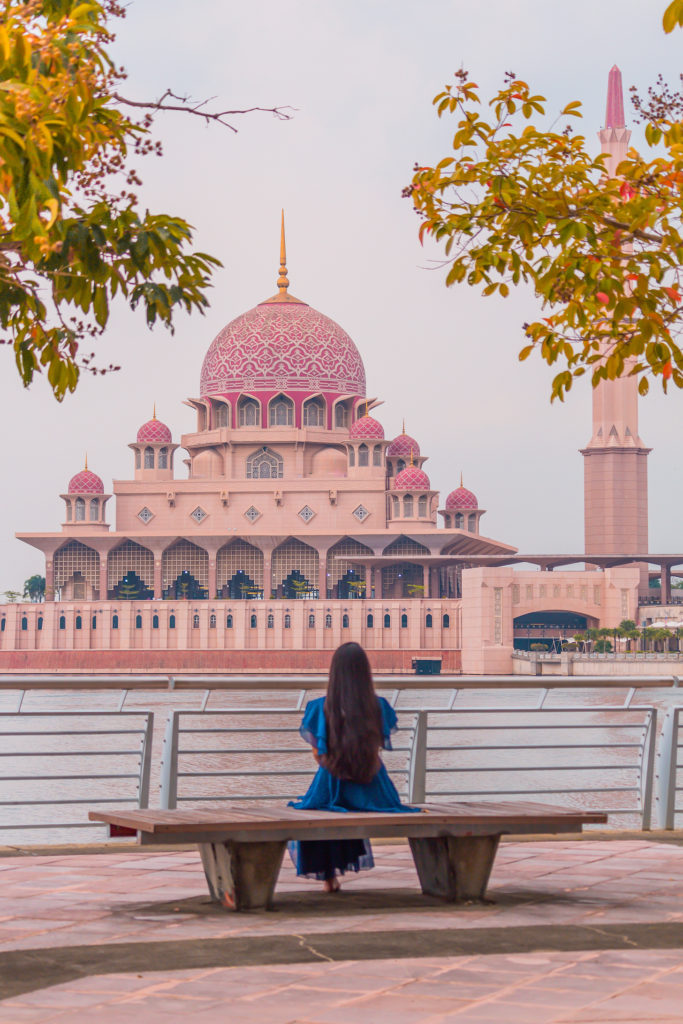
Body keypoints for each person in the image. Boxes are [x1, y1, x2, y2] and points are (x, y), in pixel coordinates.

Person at [288, 641, 418, 892]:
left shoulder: (318, 708)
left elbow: (318, 753)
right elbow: (377, 746)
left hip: (331, 785)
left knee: (318, 811)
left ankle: (328, 878)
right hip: (374, 788)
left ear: (334, 673)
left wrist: (336, 767)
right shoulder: (378, 706)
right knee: (334, 811)